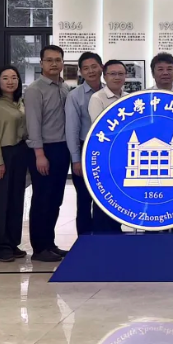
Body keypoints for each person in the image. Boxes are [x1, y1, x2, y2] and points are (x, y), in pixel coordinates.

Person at [24, 44, 71, 262]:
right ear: (41, 63)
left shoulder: (64, 87)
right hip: (44, 150)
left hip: (62, 148)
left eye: (58, 60)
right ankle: (39, 248)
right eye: (49, 60)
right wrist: (39, 154)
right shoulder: (35, 90)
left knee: (55, 199)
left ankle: (49, 244)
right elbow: (33, 124)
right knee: (42, 199)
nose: (54, 64)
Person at [0, 67, 30, 262]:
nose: (10, 81)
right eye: (5, 78)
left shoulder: (21, 103)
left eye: (14, 78)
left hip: (20, 153)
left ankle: (12, 242)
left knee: (16, 200)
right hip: (2, 153)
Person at [86, 60, 127, 234]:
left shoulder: (129, 98)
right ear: (105, 76)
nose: (117, 77)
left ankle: (116, 235)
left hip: (124, 157)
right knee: (104, 199)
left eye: (121, 74)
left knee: (118, 199)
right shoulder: (97, 98)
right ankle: (102, 239)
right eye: (112, 74)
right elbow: (100, 130)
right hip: (105, 158)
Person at [65, 52, 104, 236]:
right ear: (80, 72)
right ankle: (85, 241)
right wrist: (76, 159)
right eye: (86, 68)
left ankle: (104, 237)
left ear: (101, 67)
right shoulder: (75, 96)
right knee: (84, 199)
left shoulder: (109, 92)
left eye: (94, 66)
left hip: (107, 151)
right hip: (85, 149)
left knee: (104, 198)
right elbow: (72, 129)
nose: (91, 71)